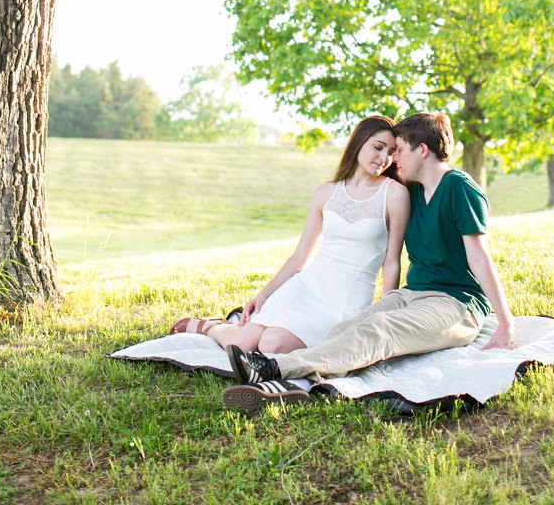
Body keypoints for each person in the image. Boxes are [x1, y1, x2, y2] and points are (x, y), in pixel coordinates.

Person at [221, 110, 517, 412]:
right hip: (411, 295)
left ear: (422, 150)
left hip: (455, 303)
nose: (393, 159)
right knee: (348, 329)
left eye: (398, 150)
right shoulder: (412, 191)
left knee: (380, 330)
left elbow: (480, 259)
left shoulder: (461, 189)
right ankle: (294, 385)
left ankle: (274, 369)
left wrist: (506, 325)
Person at [170, 115, 411, 358]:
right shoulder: (325, 193)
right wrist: (263, 294)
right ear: (358, 143)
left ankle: (234, 328)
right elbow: (299, 257)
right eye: (378, 148)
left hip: (346, 301)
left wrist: (383, 314)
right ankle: (212, 327)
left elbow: (391, 262)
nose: (384, 158)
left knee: (271, 345)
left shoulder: (395, 195)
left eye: (391, 152)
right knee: (241, 343)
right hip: (309, 286)